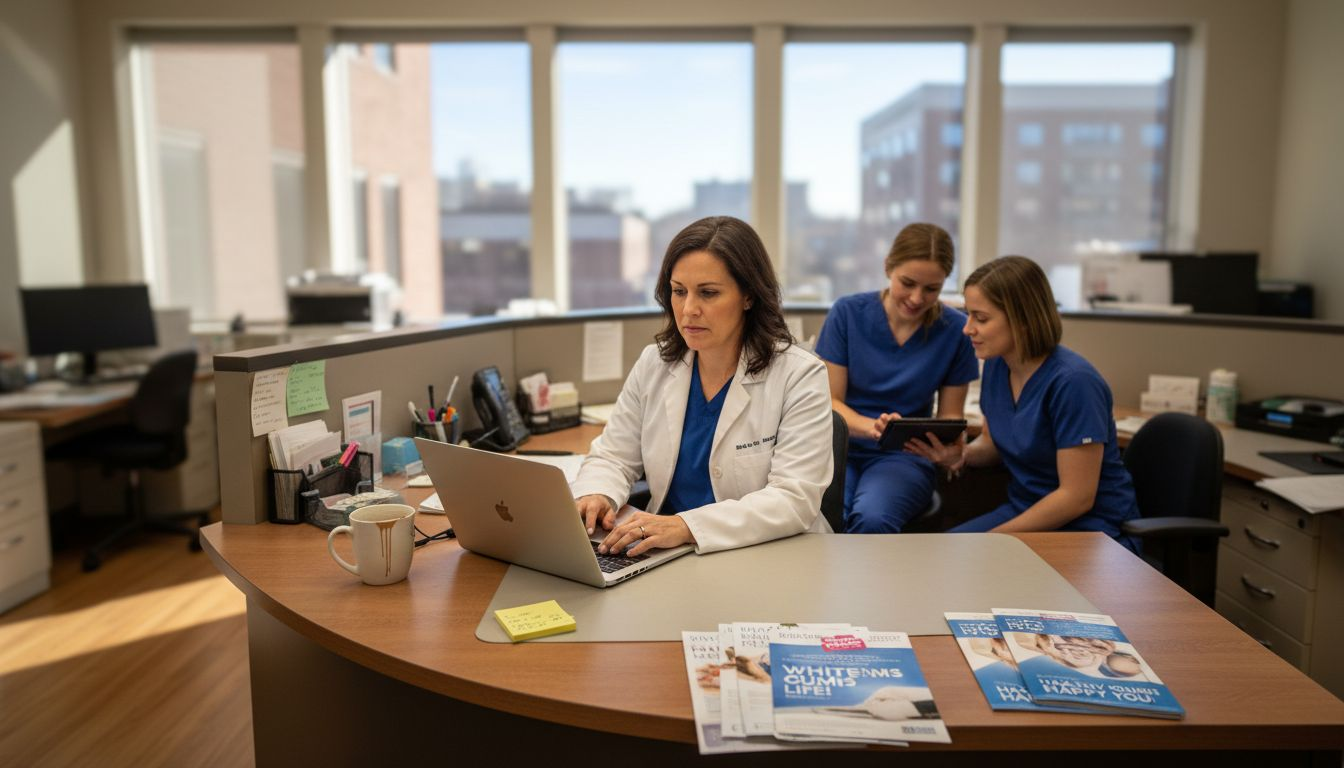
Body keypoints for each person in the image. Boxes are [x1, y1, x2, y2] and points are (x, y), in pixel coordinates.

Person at [570, 216, 834, 556]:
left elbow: (792, 499)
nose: (688, 309)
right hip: (662, 553)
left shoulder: (800, 375)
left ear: (749, 296)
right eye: (679, 291)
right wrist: (597, 494)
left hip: (766, 555)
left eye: (708, 293)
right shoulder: (655, 364)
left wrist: (685, 526)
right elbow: (613, 457)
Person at [907, 255, 1140, 551]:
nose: (967, 329)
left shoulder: (1074, 383)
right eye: (968, 315)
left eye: (981, 318)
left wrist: (995, 542)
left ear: (1023, 320)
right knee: (936, 558)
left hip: (1089, 530)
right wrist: (961, 454)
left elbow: (1076, 497)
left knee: (968, 562)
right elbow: (994, 444)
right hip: (1026, 511)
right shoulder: (997, 365)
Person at [814, 222, 978, 532]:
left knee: (872, 519)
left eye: (932, 289)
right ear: (888, 267)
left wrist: (948, 450)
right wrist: (875, 428)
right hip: (839, 451)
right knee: (825, 520)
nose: (917, 298)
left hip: (905, 456)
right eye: (908, 283)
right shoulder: (847, 313)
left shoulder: (956, 331)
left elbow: (950, 419)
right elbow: (830, 403)